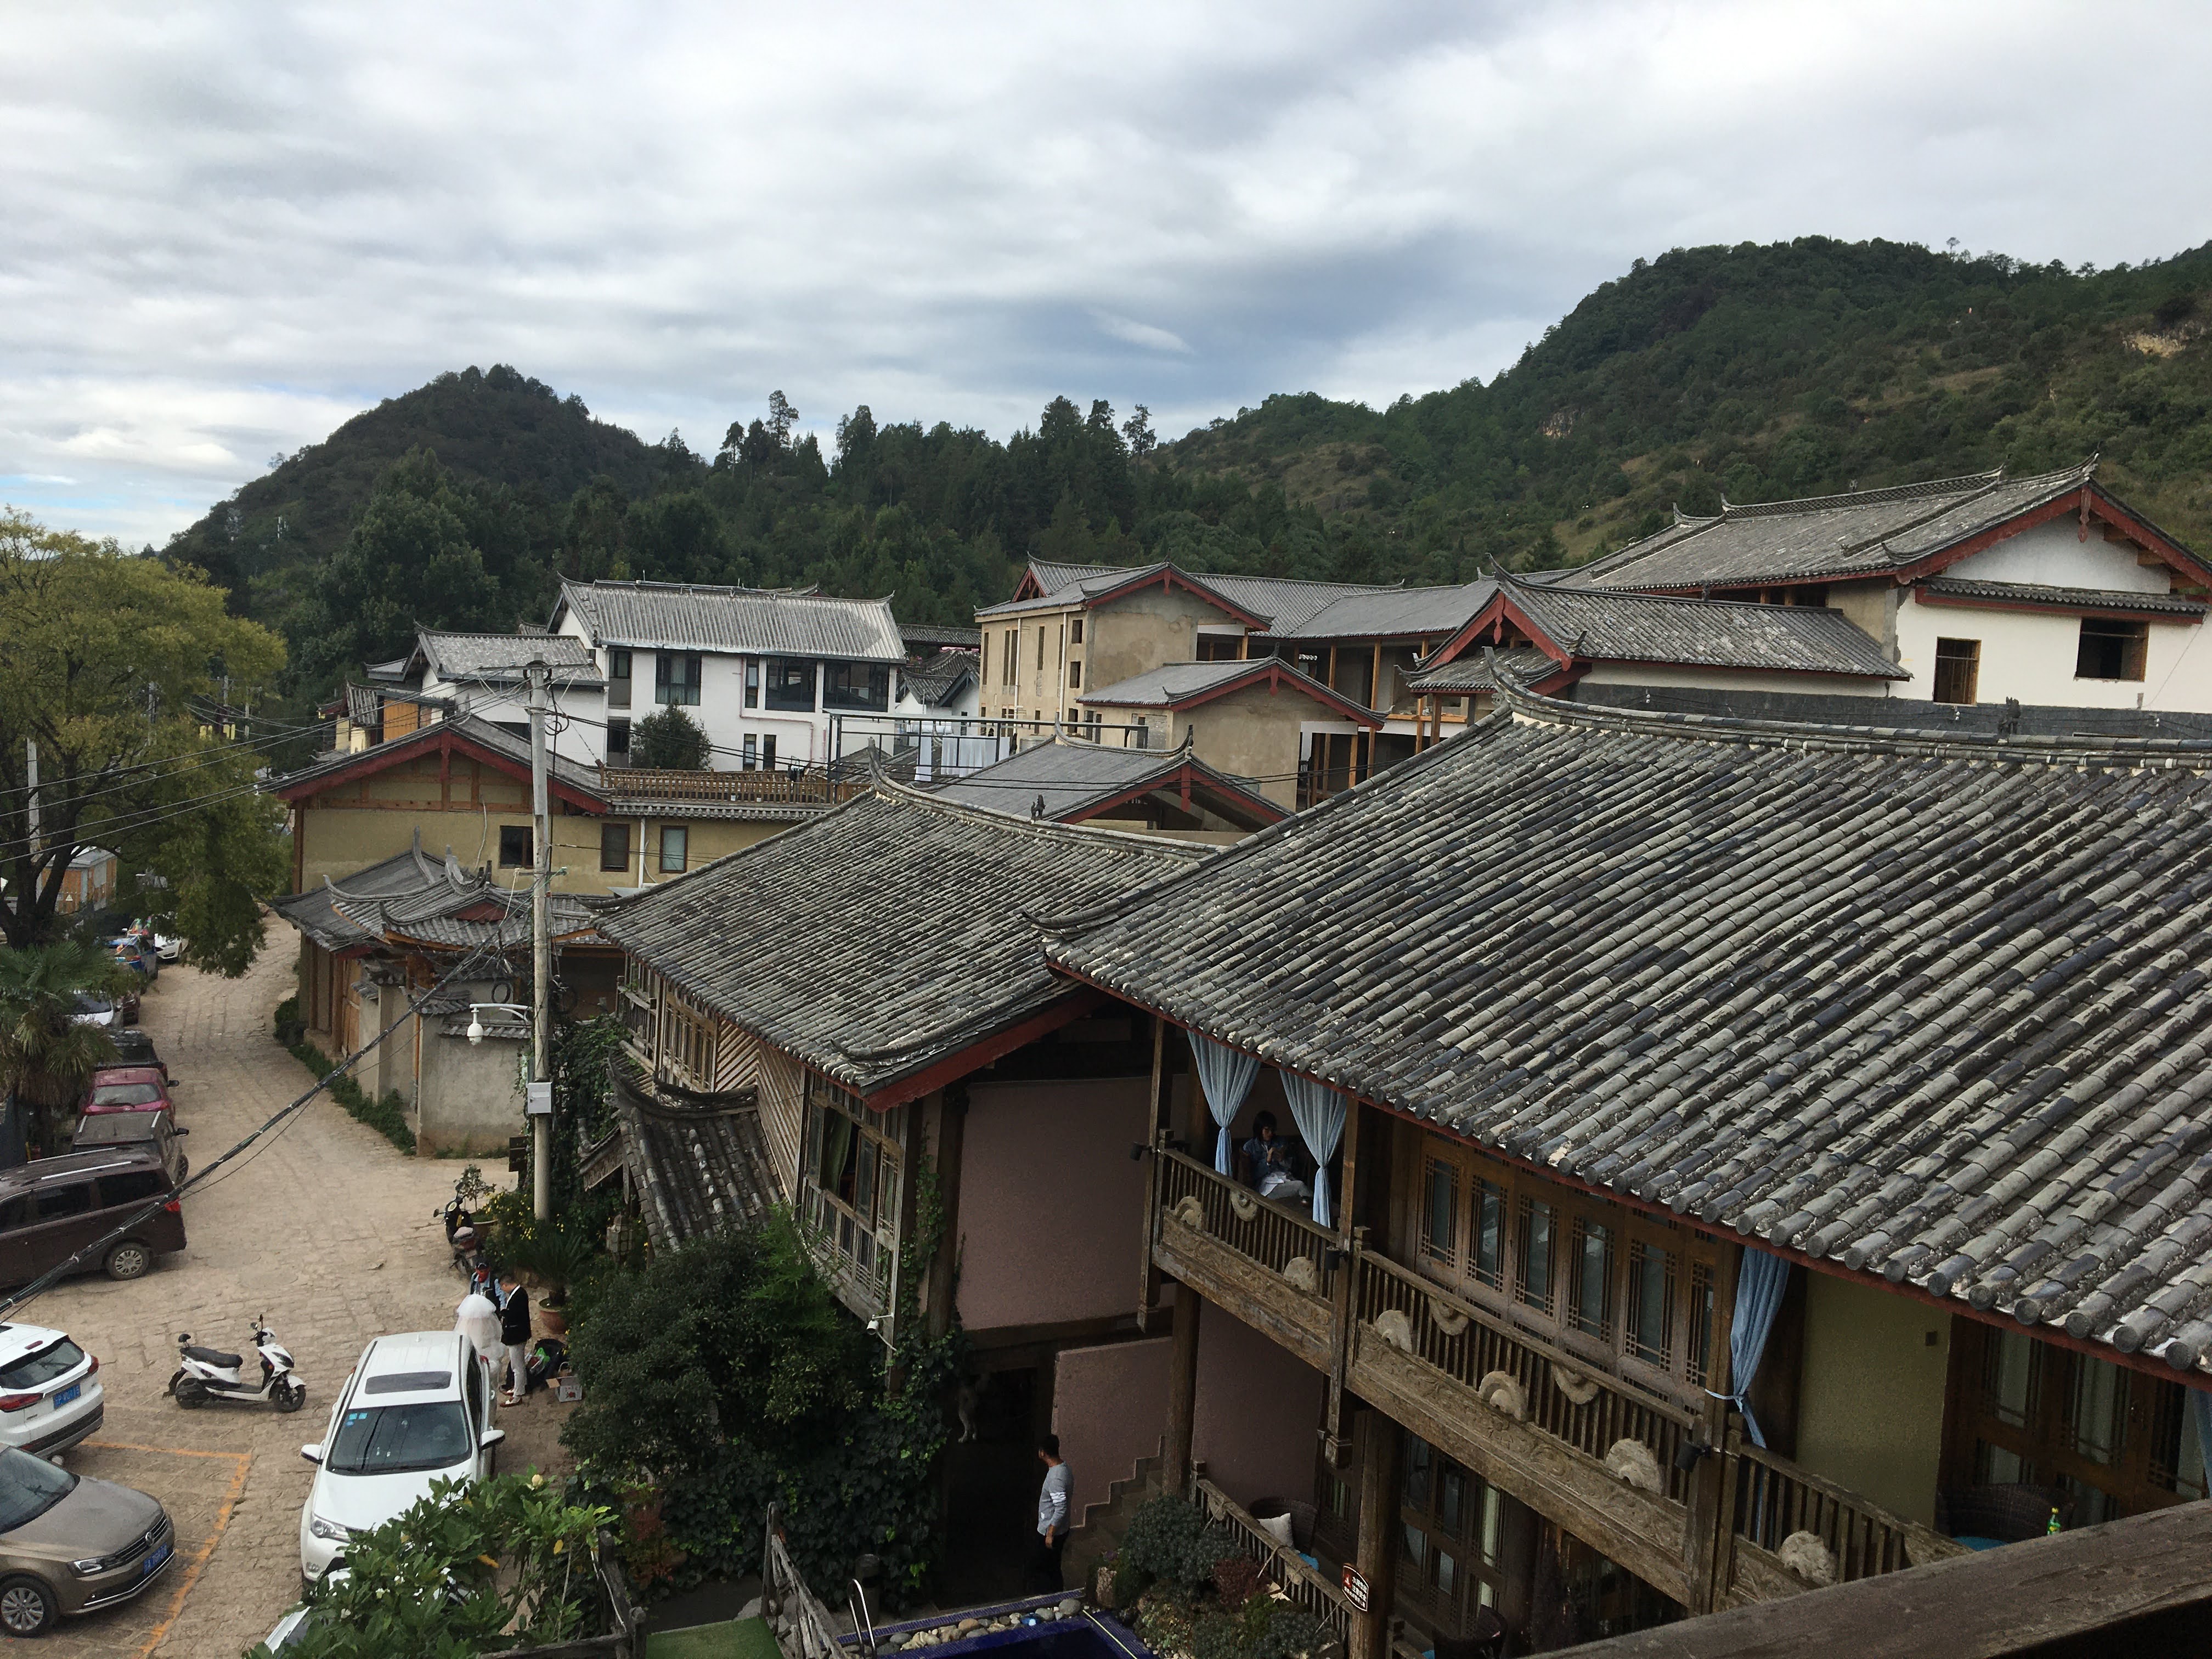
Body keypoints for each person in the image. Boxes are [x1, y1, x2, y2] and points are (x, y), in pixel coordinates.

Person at [1030, 1434, 1071, 1593]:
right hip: (1060, 1529)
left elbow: (1061, 1507)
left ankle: (1047, 1598)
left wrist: (1050, 1534)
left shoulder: (1056, 1479)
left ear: (1042, 1453)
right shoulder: (1064, 1469)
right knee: (1053, 1567)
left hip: (1050, 1531)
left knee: (1042, 1569)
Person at [1241, 1112, 1311, 1204]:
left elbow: (1292, 1167)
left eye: (1272, 1130)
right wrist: (1268, 1161)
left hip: (1284, 1178)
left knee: (1301, 1188)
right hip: (1266, 1186)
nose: (1270, 1133)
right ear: (1259, 1129)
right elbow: (1252, 1175)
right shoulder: (1250, 1147)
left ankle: (1314, 1209)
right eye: (1267, 1130)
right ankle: (1317, 1212)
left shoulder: (1280, 1141)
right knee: (1300, 1186)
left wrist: (1282, 1159)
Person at [495, 1271, 532, 1406]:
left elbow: (516, 1316)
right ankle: (519, 1387)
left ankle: (518, 1395)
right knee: (519, 1364)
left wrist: (505, 1313)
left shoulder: (518, 1296)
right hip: (519, 1334)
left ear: (505, 1285)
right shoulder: (519, 1294)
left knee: (517, 1367)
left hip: (517, 1336)